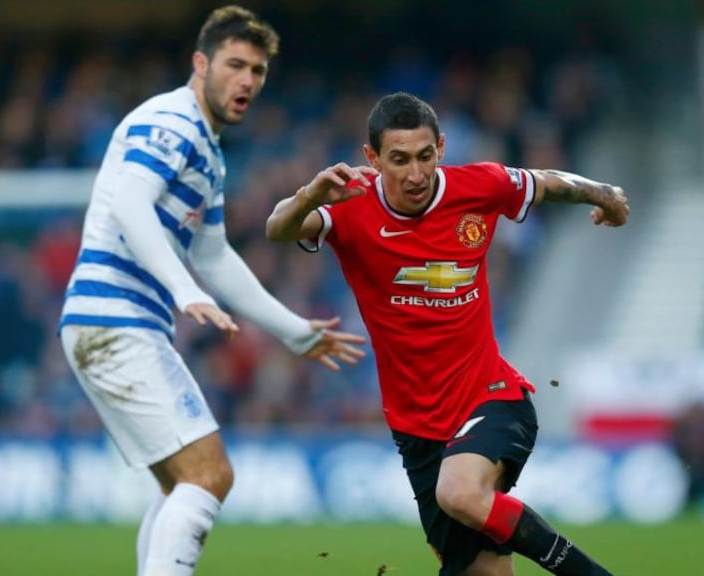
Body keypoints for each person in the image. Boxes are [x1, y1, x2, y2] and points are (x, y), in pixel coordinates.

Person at [58, 6, 366, 576]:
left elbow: (213, 255)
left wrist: (291, 330)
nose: (247, 80)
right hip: (114, 318)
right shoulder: (172, 122)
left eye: (258, 70)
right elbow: (129, 203)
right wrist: (181, 290)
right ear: (200, 63)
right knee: (210, 474)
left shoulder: (208, 149)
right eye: (235, 65)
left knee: (181, 481)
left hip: (113, 321)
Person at [266, 92, 629, 576]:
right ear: (373, 158)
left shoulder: (479, 185)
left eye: (424, 156)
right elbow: (277, 228)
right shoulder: (348, 206)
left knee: (459, 492)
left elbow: (545, 183)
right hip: (417, 431)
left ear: (440, 146)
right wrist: (309, 195)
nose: (415, 174)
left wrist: (603, 193)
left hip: (492, 396)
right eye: (399, 160)